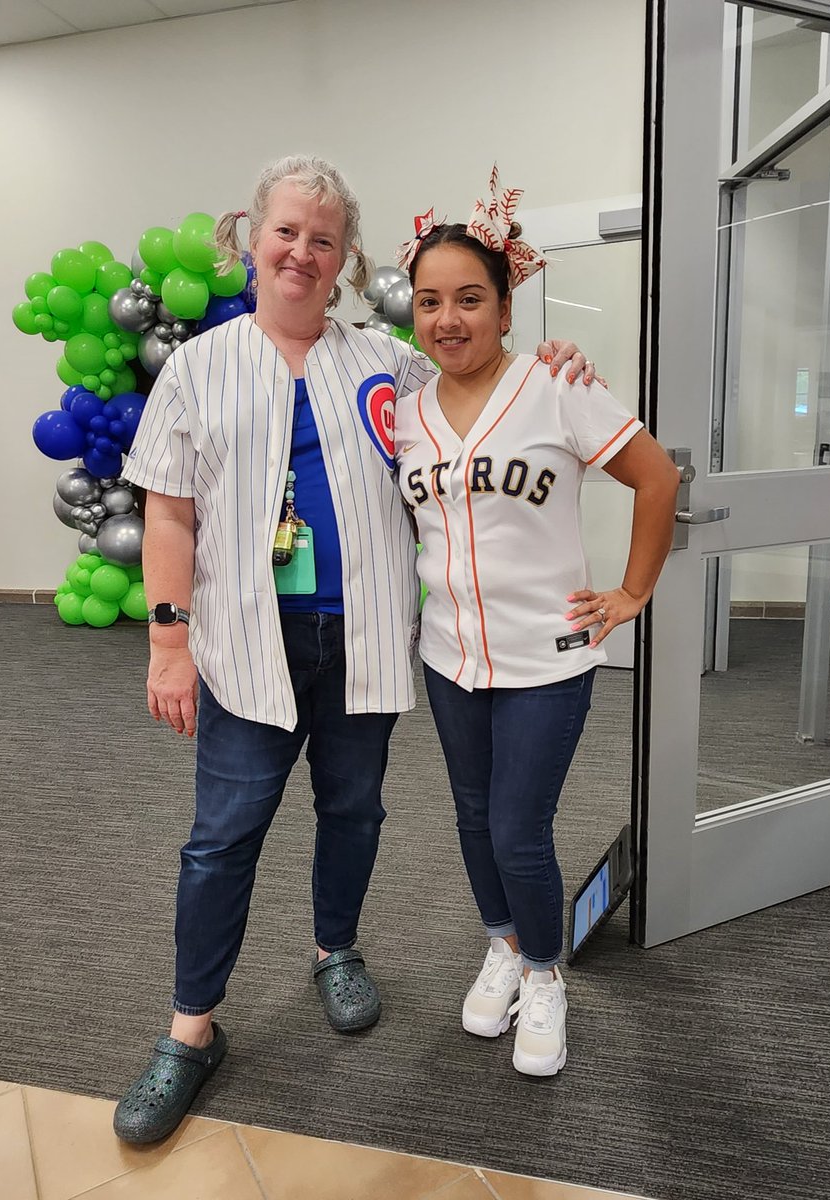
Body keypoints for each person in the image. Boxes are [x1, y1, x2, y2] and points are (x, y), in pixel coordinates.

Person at [112, 155, 594, 1143]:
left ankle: (335, 949)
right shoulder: (201, 368)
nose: (302, 252)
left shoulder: (385, 359)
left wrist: (558, 365)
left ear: (344, 260)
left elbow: (479, 379)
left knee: (355, 810)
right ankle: (190, 1030)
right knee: (222, 836)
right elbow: (167, 514)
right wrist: (169, 645)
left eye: (322, 240)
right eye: (286, 232)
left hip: (365, 636)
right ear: (250, 239)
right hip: (249, 641)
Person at [394, 168, 680, 1077]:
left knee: (520, 826)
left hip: (547, 660)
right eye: (430, 301)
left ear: (506, 307)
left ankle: (546, 974)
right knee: (473, 819)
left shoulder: (557, 387)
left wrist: (632, 593)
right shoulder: (402, 413)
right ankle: (505, 949)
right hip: (450, 657)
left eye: (470, 299)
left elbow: (657, 478)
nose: (450, 318)